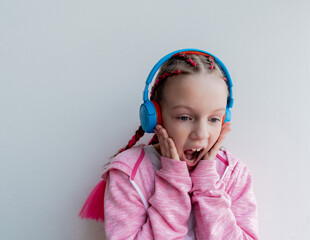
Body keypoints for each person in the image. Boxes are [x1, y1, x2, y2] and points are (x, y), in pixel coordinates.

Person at [79, 49, 259, 240]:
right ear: (156, 116)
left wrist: (208, 186)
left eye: (214, 119)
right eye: (184, 117)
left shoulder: (234, 174)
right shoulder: (129, 173)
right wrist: (173, 182)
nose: (201, 134)